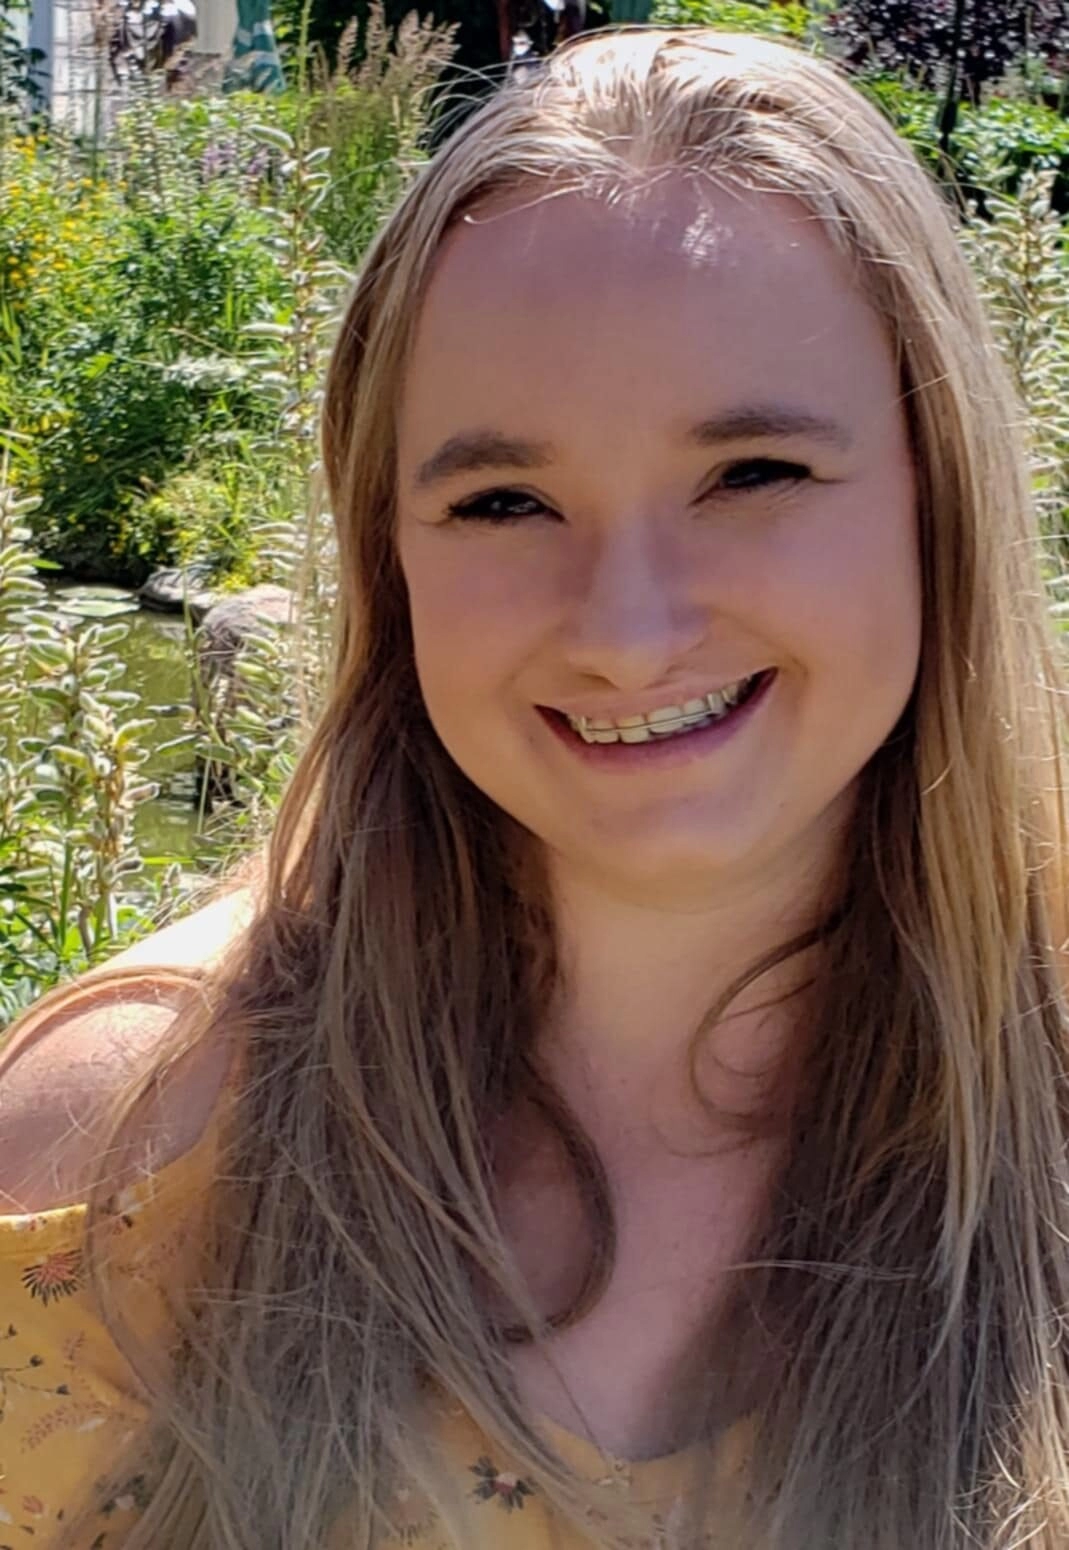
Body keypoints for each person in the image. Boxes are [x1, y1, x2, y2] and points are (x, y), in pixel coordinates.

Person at [2, 23, 1068, 1550]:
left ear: (936, 496)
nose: (627, 629)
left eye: (752, 473)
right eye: (504, 500)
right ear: (392, 557)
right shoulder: (115, 1159)